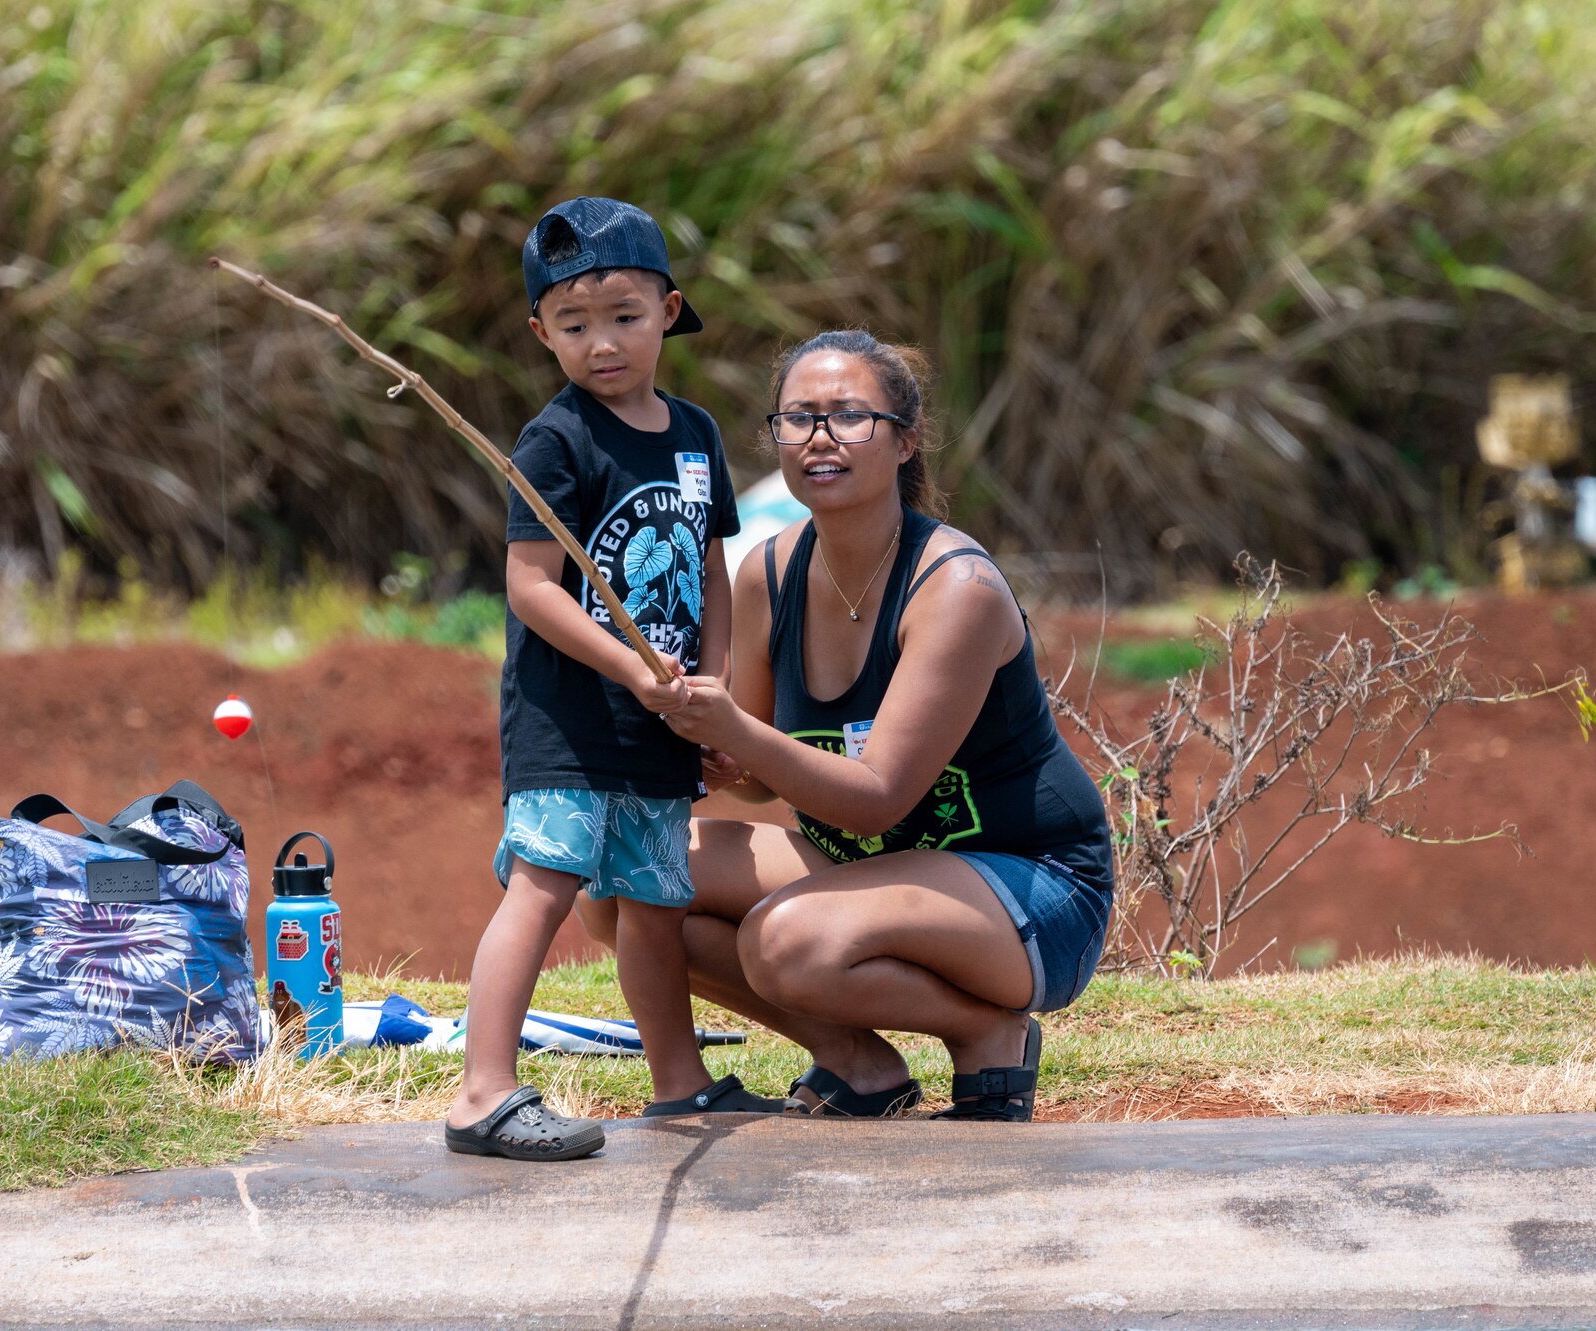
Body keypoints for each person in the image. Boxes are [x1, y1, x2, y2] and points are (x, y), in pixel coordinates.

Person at [584, 329, 1114, 1121]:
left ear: (905, 439)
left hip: (1028, 886)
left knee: (785, 941)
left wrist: (740, 728)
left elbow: (876, 800)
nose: (820, 438)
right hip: (875, 868)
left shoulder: (956, 588)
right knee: (620, 882)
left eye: (849, 416)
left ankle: (988, 1031)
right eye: (798, 418)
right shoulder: (768, 572)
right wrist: (717, 749)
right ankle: (857, 1063)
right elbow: (765, 773)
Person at [444, 198, 784, 1162]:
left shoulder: (696, 436)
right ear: (539, 331)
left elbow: (712, 569)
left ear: (670, 311)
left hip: (664, 721)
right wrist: (633, 666)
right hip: (573, 720)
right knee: (544, 889)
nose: (603, 343)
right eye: (574, 324)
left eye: (625, 317)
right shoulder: (555, 441)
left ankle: (678, 1084)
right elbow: (528, 588)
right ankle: (483, 1092)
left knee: (656, 899)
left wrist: (710, 685)